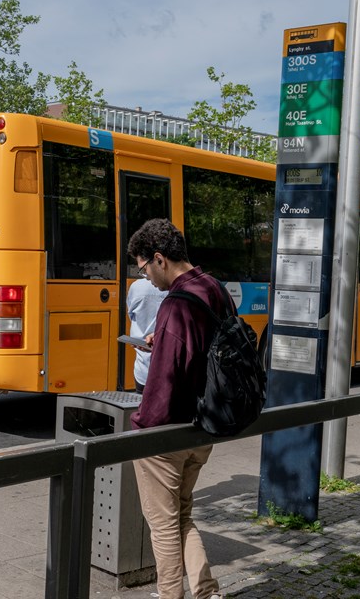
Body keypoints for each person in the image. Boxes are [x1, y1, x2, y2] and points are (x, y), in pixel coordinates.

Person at [127, 218, 223, 599]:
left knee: (163, 524)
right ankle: (205, 592)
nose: (146, 278)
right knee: (182, 514)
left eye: (144, 268)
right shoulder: (213, 288)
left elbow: (164, 384)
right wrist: (162, 338)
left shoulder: (175, 303)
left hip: (170, 432)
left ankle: (171, 596)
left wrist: (141, 427)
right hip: (206, 425)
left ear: (159, 258)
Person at [127, 276, 167, 393]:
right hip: (169, 372)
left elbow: (132, 315)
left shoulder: (136, 287)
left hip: (143, 369)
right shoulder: (177, 288)